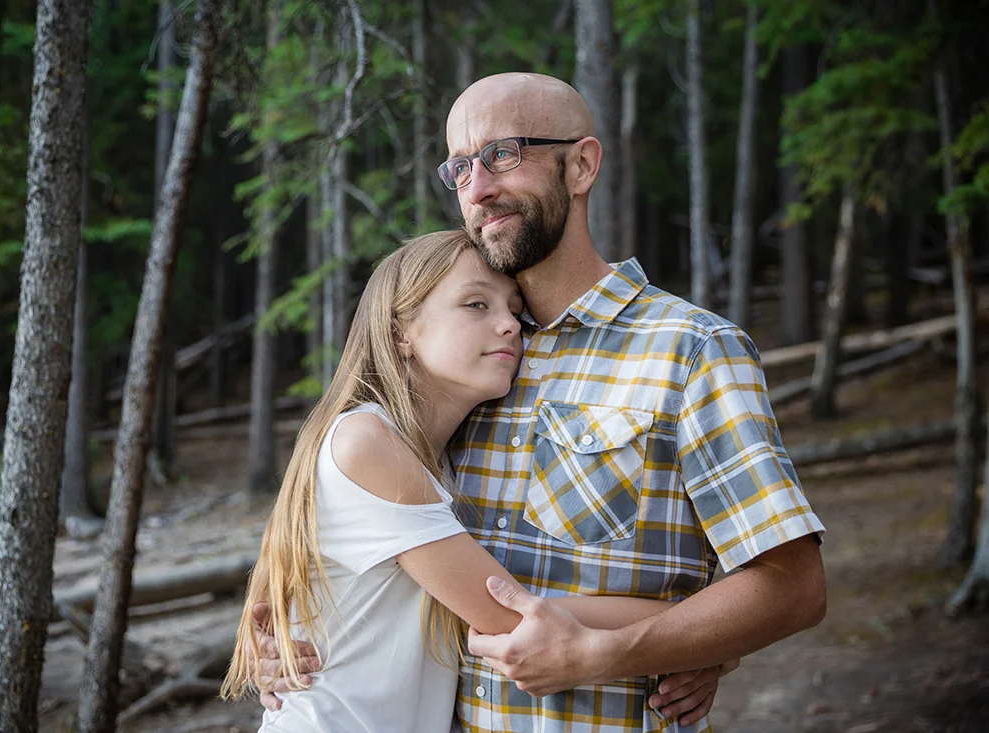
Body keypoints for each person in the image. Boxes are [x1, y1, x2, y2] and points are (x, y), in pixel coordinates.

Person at [254, 72, 827, 732]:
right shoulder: (470, 367)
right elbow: (342, 518)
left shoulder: (690, 349)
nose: (478, 187)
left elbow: (794, 584)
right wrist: (272, 621)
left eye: (503, 153)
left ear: (580, 164)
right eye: (460, 166)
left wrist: (664, 647)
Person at [221, 230, 721, 732]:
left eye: (515, 311)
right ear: (401, 332)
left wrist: (700, 642)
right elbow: (509, 615)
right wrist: (705, 632)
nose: (509, 326)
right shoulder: (365, 442)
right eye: (476, 304)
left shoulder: (442, 457)